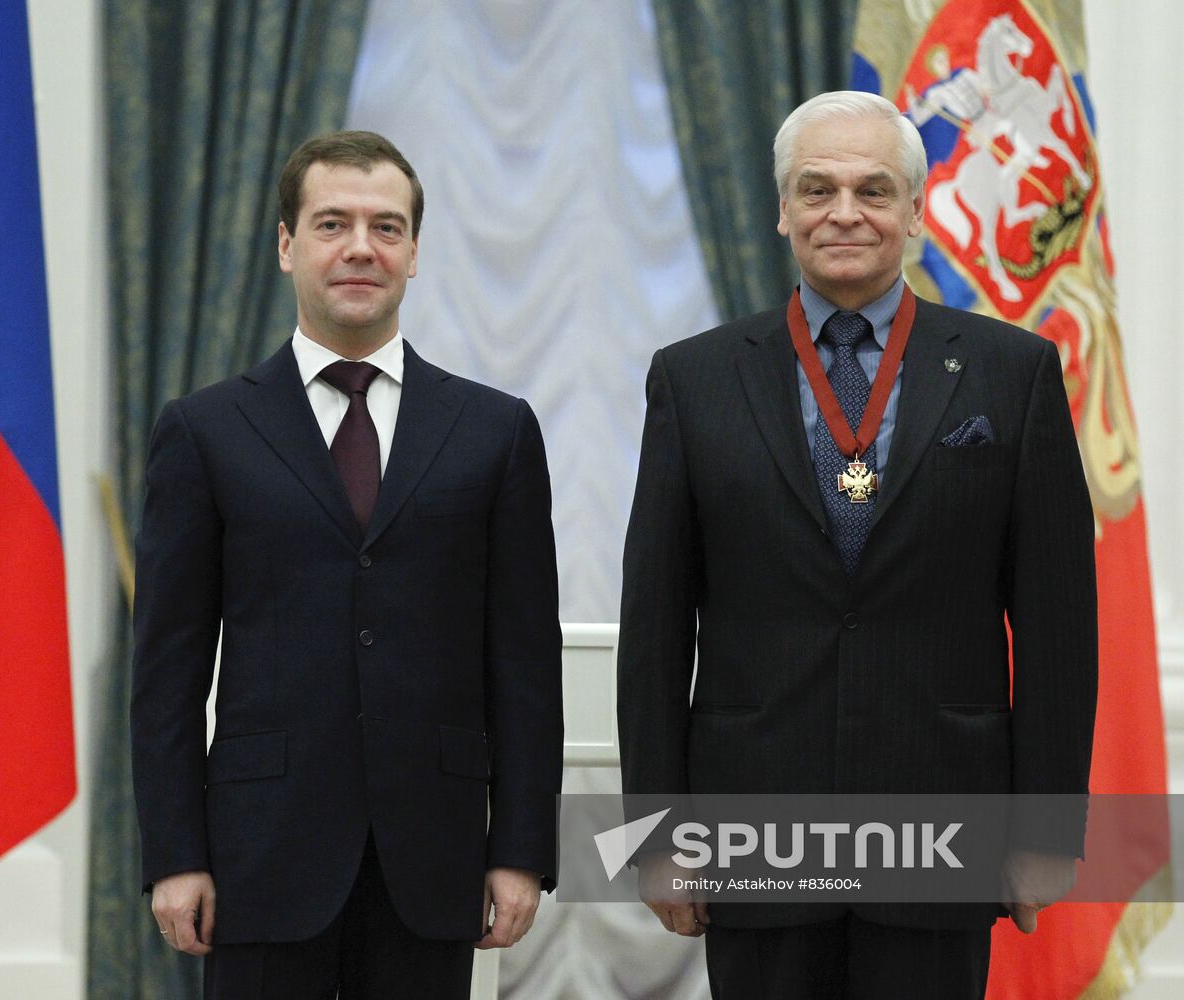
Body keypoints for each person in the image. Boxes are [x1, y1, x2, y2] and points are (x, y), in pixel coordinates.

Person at [617, 91, 1097, 999]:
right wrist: (654, 835)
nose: (844, 212)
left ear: (916, 212)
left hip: (941, 824)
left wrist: (1044, 828)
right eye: (817, 188)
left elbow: (1056, 626)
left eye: (873, 190)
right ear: (781, 211)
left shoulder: (1014, 372)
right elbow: (651, 627)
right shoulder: (693, 379)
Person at [131, 130, 563, 1000]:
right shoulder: (205, 430)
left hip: (434, 859)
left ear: (413, 254)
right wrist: (174, 857)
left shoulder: (494, 430)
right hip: (259, 857)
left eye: (386, 227)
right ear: (287, 246)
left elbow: (523, 664)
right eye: (332, 224)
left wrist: (519, 852)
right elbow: (167, 669)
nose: (361, 247)